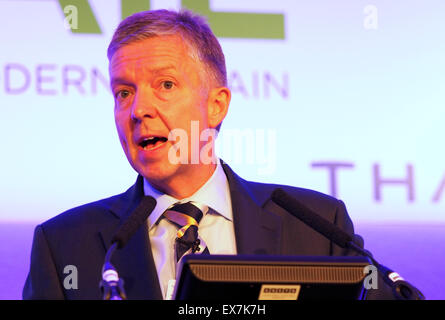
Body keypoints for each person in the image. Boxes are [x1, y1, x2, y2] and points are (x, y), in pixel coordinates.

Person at [23, 9, 395, 300]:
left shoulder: (316, 226)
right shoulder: (65, 246)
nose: (138, 110)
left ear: (216, 106)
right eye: (123, 92)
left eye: (165, 84)